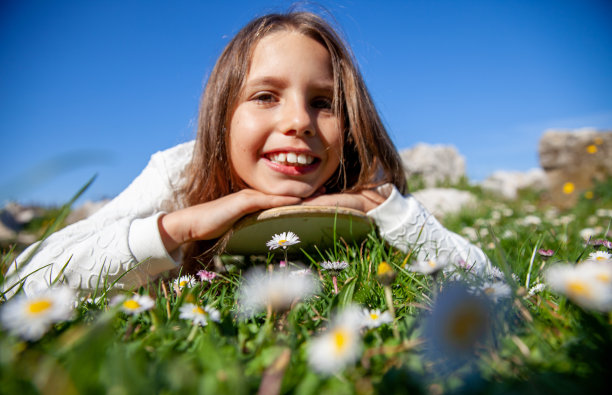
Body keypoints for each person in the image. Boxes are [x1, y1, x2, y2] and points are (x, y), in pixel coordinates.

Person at [3, 11, 490, 297]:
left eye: (323, 103)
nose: (298, 121)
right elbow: (24, 282)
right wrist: (183, 226)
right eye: (265, 96)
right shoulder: (181, 175)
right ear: (222, 117)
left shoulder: (361, 180)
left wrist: (386, 212)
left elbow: (489, 282)